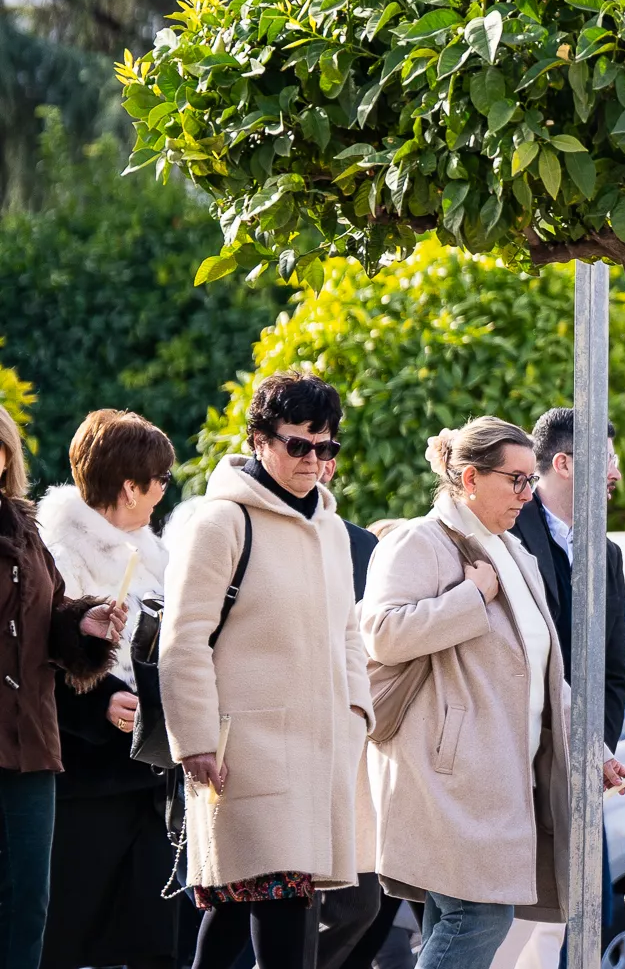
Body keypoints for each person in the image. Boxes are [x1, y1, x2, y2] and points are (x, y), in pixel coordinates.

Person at [362, 417, 613, 969]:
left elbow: (547, 674)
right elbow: (380, 634)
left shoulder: (512, 553)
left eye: (531, 479)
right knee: (479, 916)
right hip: (447, 775)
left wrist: (594, 750)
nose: (529, 492)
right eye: (517, 480)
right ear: (471, 478)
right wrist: (470, 598)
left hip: (500, 778)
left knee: (462, 918)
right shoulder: (418, 540)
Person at [159, 373, 373, 969]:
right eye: (297, 444)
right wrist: (195, 740)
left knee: (233, 914)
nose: (313, 459)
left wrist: (357, 711)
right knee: (281, 913)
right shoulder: (220, 522)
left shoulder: (332, 531)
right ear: (259, 439)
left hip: (320, 752)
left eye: (324, 446)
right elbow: (184, 639)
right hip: (241, 752)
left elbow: (349, 633)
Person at [38, 410, 179, 969]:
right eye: (160, 479)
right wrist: (99, 707)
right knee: (66, 938)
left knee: (156, 940)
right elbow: (33, 663)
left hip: (152, 776)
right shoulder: (55, 553)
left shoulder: (157, 554)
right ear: (130, 485)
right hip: (82, 778)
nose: (165, 491)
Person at [0, 397, 123, 969]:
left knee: (29, 906)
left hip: (29, 746)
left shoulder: (24, 528)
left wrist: (84, 623)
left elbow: (45, 620)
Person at [511, 407, 625, 742]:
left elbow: (613, 671)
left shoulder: (608, 554)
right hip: (516, 750)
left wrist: (595, 749)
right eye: (607, 458)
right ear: (563, 464)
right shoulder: (505, 536)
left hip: (579, 760)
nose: (615, 473)